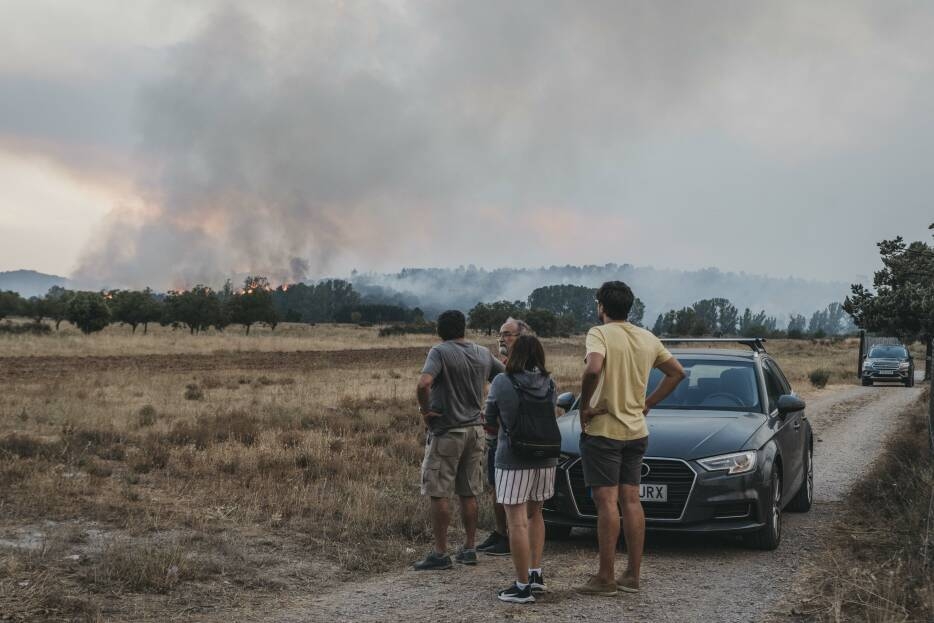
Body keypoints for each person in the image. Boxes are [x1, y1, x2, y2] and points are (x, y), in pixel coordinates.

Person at [574, 281, 685, 596]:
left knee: (607, 502)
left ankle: (605, 577)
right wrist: (648, 403)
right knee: (632, 501)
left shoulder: (599, 333)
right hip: (636, 433)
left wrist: (585, 407)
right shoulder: (647, 337)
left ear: (601, 307)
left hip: (604, 432)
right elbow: (677, 372)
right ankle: (632, 576)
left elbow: (593, 369)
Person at [413, 309, 505, 570]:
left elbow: (423, 384)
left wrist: (425, 411)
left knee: (438, 490)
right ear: (464, 328)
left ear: (440, 330)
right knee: (468, 492)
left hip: (447, 431)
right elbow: (503, 376)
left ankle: (440, 553)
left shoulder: (439, 352)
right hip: (476, 430)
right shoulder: (482, 352)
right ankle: (469, 547)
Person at [485, 334, 558, 604]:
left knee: (515, 520)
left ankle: (521, 585)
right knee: (536, 514)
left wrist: (493, 439)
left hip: (513, 458)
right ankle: (536, 574)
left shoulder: (503, 381)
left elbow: (490, 418)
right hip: (546, 457)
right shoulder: (549, 383)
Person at [477, 317, 534, 557]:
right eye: (500, 333)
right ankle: (501, 533)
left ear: (523, 338)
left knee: (511, 492)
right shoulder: (503, 364)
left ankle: (514, 536)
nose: (502, 338)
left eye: (508, 334)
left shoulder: (528, 368)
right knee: (496, 488)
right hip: (497, 437)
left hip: (515, 439)